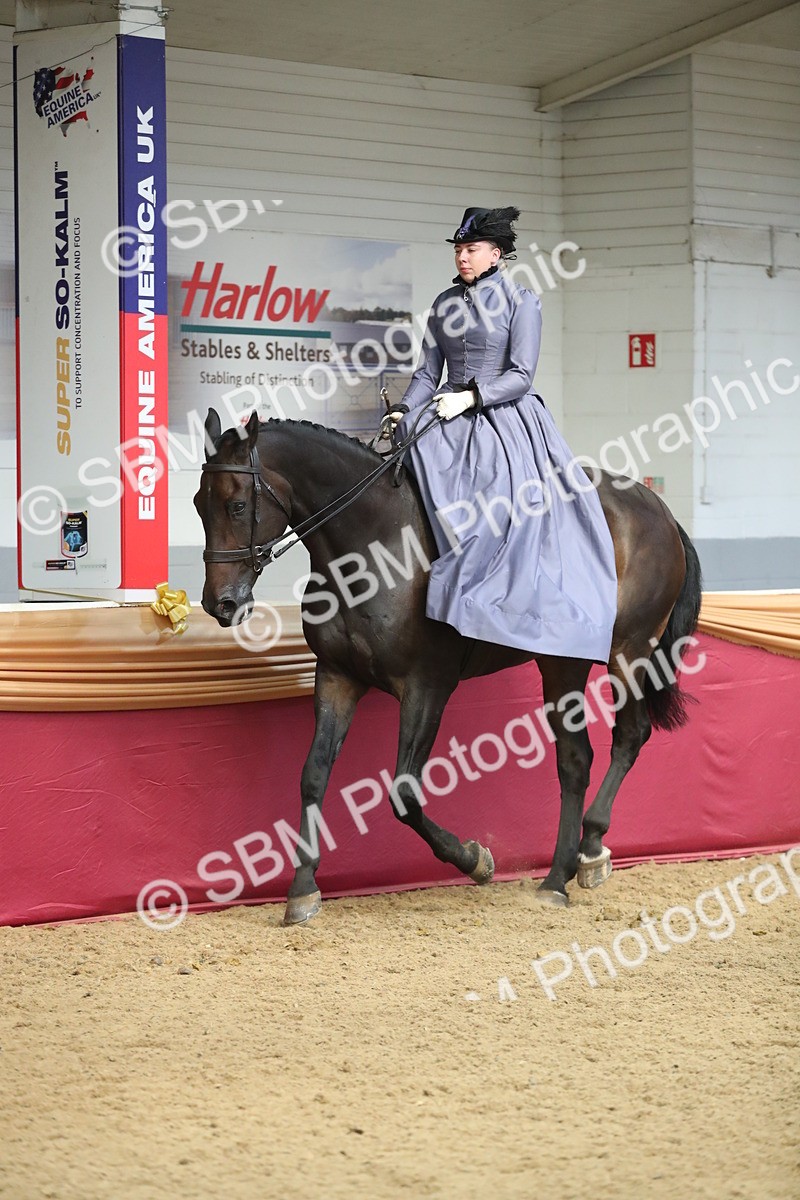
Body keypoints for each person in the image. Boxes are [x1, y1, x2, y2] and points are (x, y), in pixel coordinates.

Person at [390, 205, 617, 662]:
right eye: (458, 250)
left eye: (471, 249)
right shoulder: (443, 304)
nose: (462, 257)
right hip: (444, 410)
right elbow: (426, 373)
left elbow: (521, 375)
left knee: (502, 495)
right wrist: (403, 409)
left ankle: (492, 595)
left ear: (495, 254)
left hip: (502, 413)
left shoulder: (522, 302)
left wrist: (472, 398)